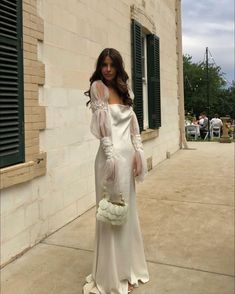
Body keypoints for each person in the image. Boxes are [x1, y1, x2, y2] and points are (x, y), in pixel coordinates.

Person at [83, 48, 149, 294]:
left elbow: (133, 126)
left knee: (127, 213)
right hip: (108, 161)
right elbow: (103, 131)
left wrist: (138, 152)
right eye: (104, 64)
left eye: (111, 65)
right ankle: (112, 276)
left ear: (118, 67)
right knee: (110, 214)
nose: (107, 69)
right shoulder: (98, 88)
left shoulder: (126, 91)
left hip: (126, 158)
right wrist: (111, 158)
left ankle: (127, 269)